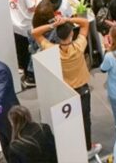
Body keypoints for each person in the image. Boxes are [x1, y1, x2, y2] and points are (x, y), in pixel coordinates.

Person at [33, 15, 102, 156]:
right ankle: (88, 148)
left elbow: (35, 33)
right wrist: (67, 19)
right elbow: (85, 23)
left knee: (68, 122)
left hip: (65, 92)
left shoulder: (51, 50)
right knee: (85, 120)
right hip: (82, 90)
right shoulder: (79, 46)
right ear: (71, 34)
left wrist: (52, 25)